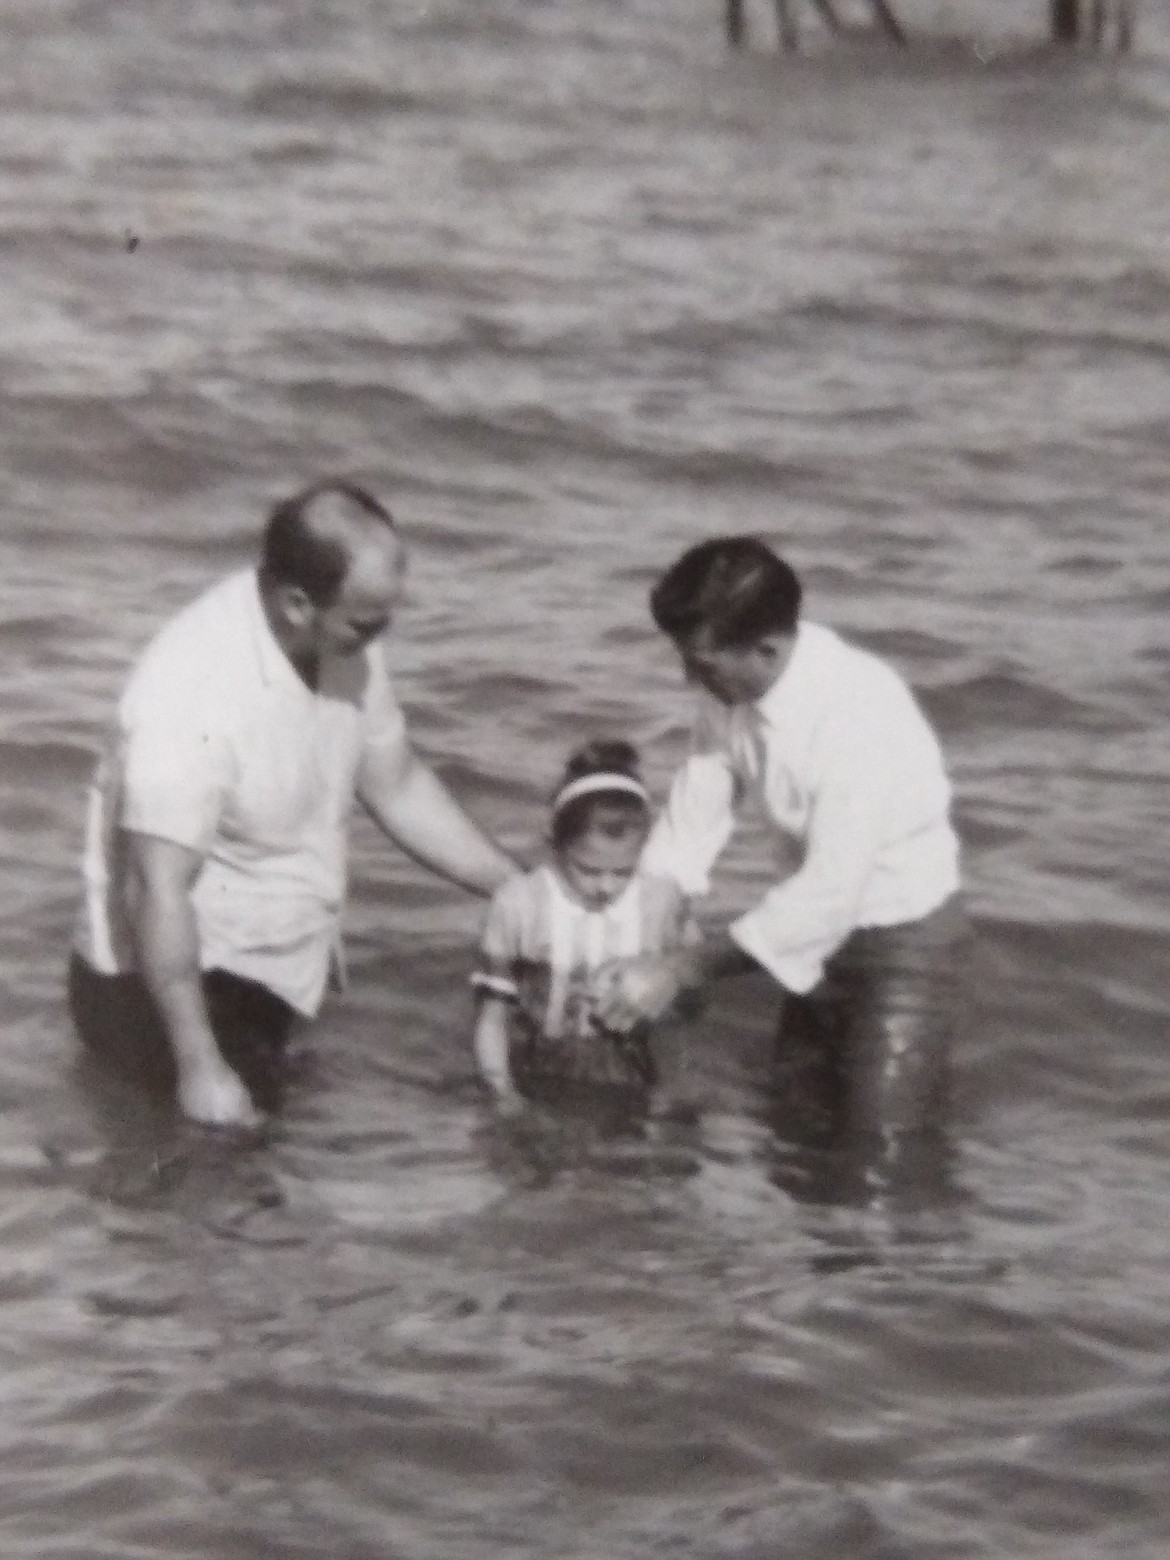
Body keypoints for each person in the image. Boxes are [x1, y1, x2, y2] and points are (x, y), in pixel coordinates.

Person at [69, 479, 516, 1130]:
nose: (381, 635)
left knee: (270, 1188)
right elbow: (153, 890)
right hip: (160, 989)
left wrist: (522, 890)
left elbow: (395, 783)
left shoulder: (344, 636)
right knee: (223, 1194)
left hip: (269, 971)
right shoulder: (192, 691)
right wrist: (200, 1067)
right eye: (367, 622)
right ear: (298, 603)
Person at [594, 535, 965, 1167]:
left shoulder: (855, 712)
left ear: (766, 648)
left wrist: (681, 970)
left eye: (704, 664)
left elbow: (829, 892)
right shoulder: (728, 692)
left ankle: (909, 1261)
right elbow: (693, 818)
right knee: (795, 1145)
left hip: (903, 949)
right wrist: (641, 932)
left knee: (880, 1156)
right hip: (817, 946)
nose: (691, 679)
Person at [470, 740, 698, 1117]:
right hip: (537, 1069)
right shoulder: (521, 904)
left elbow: (678, 1018)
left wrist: (670, 1091)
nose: (606, 886)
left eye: (623, 872)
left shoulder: (658, 904)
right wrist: (501, 1090)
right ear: (555, 846)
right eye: (588, 870)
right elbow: (492, 1015)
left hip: (629, 1073)